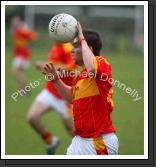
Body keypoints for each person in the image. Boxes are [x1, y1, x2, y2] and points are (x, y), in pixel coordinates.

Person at [42, 22, 119, 155]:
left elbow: (92, 69)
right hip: (80, 140)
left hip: (98, 142)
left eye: (76, 46)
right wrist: (55, 80)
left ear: (88, 48)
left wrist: (81, 37)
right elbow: (71, 97)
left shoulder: (101, 62)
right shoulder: (81, 76)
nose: (71, 50)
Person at [27, 42, 76, 155]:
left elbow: (71, 68)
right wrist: (45, 65)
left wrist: (47, 65)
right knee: (32, 117)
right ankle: (51, 141)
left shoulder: (68, 47)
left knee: (73, 131)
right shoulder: (55, 46)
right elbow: (54, 64)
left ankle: (93, 153)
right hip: (49, 91)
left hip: (65, 97)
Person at [11, 16, 38, 90]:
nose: (14, 23)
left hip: (23, 56)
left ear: (19, 22)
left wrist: (29, 40)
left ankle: (27, 87)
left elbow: (34, 36)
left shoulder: (21, 30)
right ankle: (22, 90)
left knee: (15, 72)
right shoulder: (15, 31)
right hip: (18, 56)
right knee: (19, 73)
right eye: (13, 22)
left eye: (15, 22)